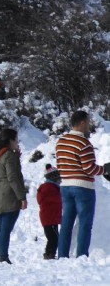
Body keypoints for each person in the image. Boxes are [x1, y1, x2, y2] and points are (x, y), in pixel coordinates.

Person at [56, 110, 106, 258]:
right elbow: (89, 168)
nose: (89, 125)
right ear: (82, 122)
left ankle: (62, 255)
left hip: (65, 186)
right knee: (85, 223)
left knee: (66, 224)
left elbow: (59, 164)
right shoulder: (84, 143)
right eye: (88, 122)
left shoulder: (61, 142)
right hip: (83, 187)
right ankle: (82, 256)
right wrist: (104, 169)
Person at [0, 128, 27, 264]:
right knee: (6, 229)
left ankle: (2, 255)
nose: (17, 142)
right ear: (10, 140)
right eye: (16, 139)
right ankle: (4, 257)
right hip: (9, 194)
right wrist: (21, 197)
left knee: (1, 228)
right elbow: (13, 177)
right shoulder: (8, 155)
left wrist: (16, 158)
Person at [37, 164, 62, 260]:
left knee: (52, 237)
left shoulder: (51, 187)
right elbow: (56, 199)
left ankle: (49, 254)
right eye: (59, 179)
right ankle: (49, 255)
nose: (61, 181)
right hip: (49, 218)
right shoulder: (48, 188)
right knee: (54, 238)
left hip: (51, 218)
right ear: (54, 179)